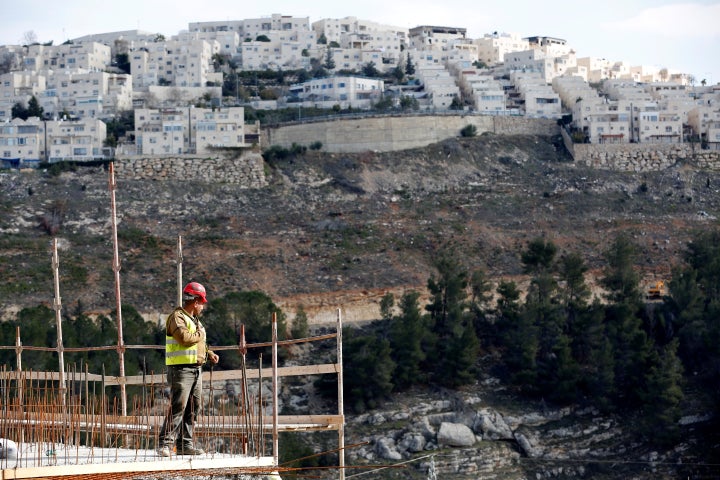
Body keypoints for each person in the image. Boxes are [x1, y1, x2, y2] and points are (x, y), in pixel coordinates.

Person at [157, 281, 219, 457]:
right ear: (196, 301)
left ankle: (185, 445)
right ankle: (164, 444)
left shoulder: (194, 320)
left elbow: (198, 344)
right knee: (179, 405)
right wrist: (201, 334)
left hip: (196, 369)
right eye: (202, 303)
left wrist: (209, 354)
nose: (203, 307)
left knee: (193, 407)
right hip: (181, 370)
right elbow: (184, 338)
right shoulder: (177, 317)